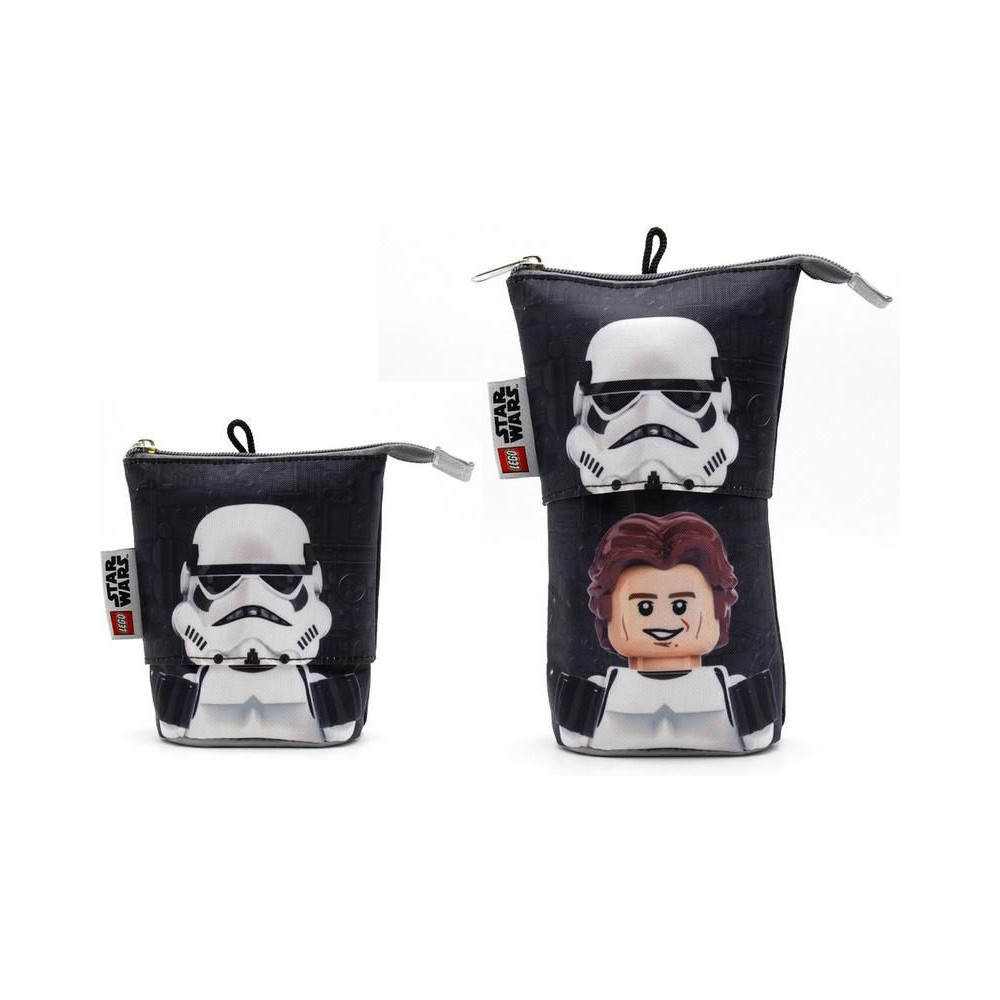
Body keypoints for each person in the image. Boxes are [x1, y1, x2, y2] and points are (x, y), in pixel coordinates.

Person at [555, 511, 775, 753]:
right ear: (605, 610)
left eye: (680, 606)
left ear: (719, 607)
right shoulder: (593, 693)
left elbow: (759, 735)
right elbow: (571, 733)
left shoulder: (737, 690)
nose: (663, 620)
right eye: (644, 607)